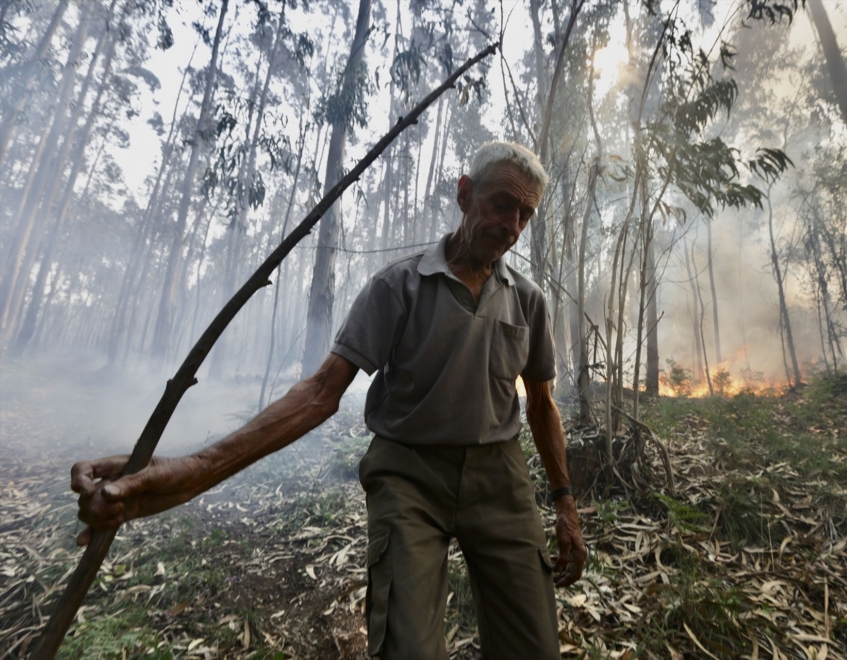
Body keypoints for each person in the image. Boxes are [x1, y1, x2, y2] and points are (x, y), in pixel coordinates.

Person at [72, 141, 587, 659]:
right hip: (409, 476)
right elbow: (320, 393)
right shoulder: (399, 287)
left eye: (526, 214)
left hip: (500, 479)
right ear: (464, 193)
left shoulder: (527, 300)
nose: (513, 225)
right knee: (406, 647)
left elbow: (541, 406)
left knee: (534, 645)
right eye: (502, 204)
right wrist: (188, 471)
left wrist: (565, 505)